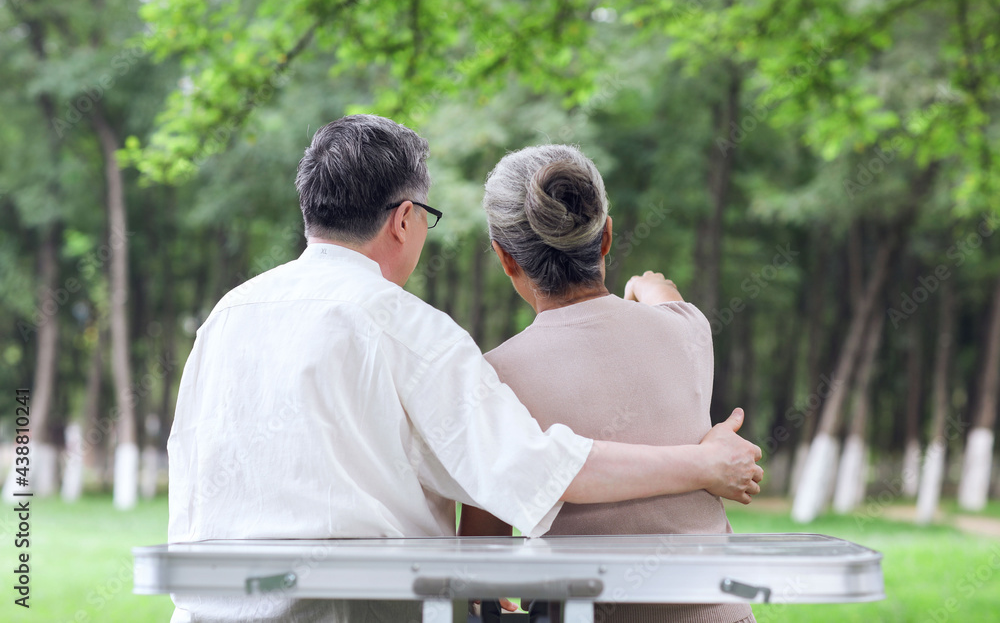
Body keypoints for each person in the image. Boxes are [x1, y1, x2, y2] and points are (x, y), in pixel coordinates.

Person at [167, 115, 763, 622]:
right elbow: (534, 472)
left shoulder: (228, 316)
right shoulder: (404, 326)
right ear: (404, 219)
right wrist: (702, 463)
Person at [460, 144, 755, 623]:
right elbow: (665, 295)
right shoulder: (688, 329)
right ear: (606, 237)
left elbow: (481, 551)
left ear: (504, 257)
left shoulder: (494, 375)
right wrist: (645, 286)